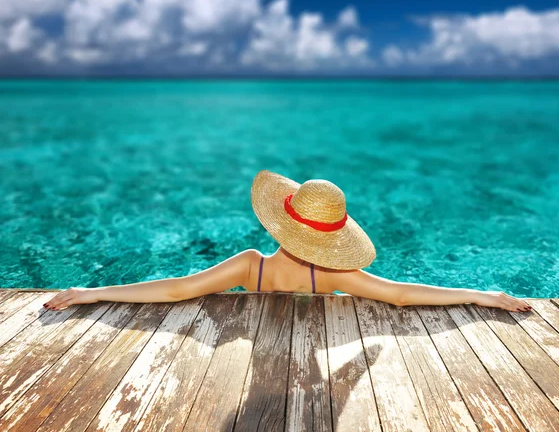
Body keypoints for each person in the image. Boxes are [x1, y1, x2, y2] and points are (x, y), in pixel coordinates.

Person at [43, 170, 532, 313]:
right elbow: (403, 294)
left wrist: (92, 293)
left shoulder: (249, 267)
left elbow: (176, 289)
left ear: (281, 223)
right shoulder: (336, 276)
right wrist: (480, 295)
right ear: (333, 237)